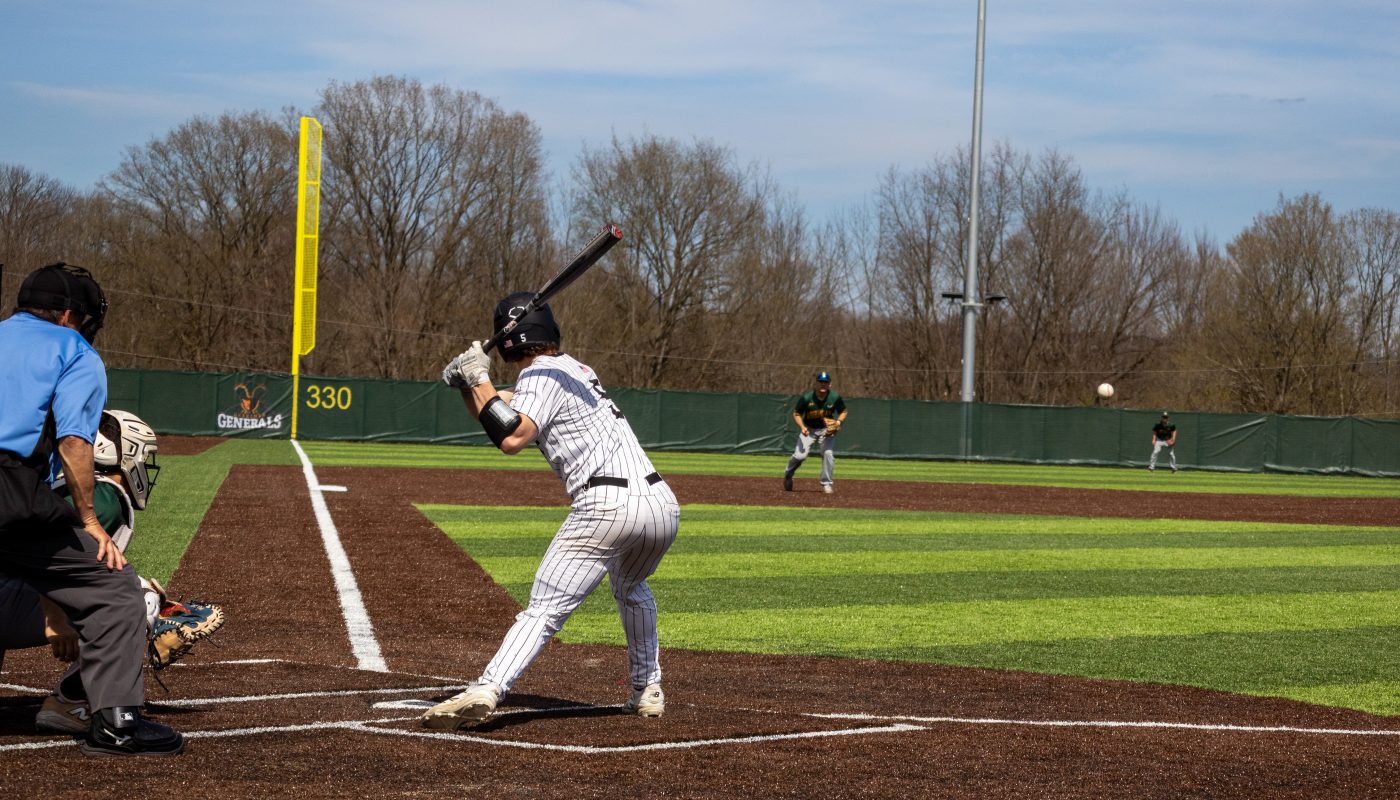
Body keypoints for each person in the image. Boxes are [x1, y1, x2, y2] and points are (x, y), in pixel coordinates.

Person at [422, 292, 681, 730]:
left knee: (544, 610)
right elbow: (496, 410)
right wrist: (470, 383)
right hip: (661, 506)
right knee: (632, 587)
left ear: (508, 340)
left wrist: (478, 376)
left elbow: (510, 437)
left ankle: (489, 686)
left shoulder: (541, 374)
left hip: (606, 505)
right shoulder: (573, 370)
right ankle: (647, 688)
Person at [0, 263, 184, 756]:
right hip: (8, 489)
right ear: (68, 316)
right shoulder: (74, 350)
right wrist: (85, 519)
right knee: (115, 592)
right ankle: (116, 725)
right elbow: (75, 442)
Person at [10, 408, 226, 734]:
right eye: (143, 456)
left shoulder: (64, 485)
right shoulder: (105, 497)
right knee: (138, 598)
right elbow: (44, 554)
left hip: (8, 595)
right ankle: (70, 701)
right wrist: (55, 617)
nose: (145, 467)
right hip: (14, 600)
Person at [782, 371, 848, 494]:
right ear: (816, 383)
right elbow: (796, 413)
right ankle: (788, 474)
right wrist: (802, 427)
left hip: (826, 430)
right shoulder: (807, 398)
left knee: (828, 453)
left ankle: (826, 483)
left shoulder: (834, 397)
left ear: (830, 384)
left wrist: (838, 422)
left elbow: (843, 411)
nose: (823, 384)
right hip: (809, 429)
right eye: (821, 382)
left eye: (826, 382)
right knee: (800, 456)